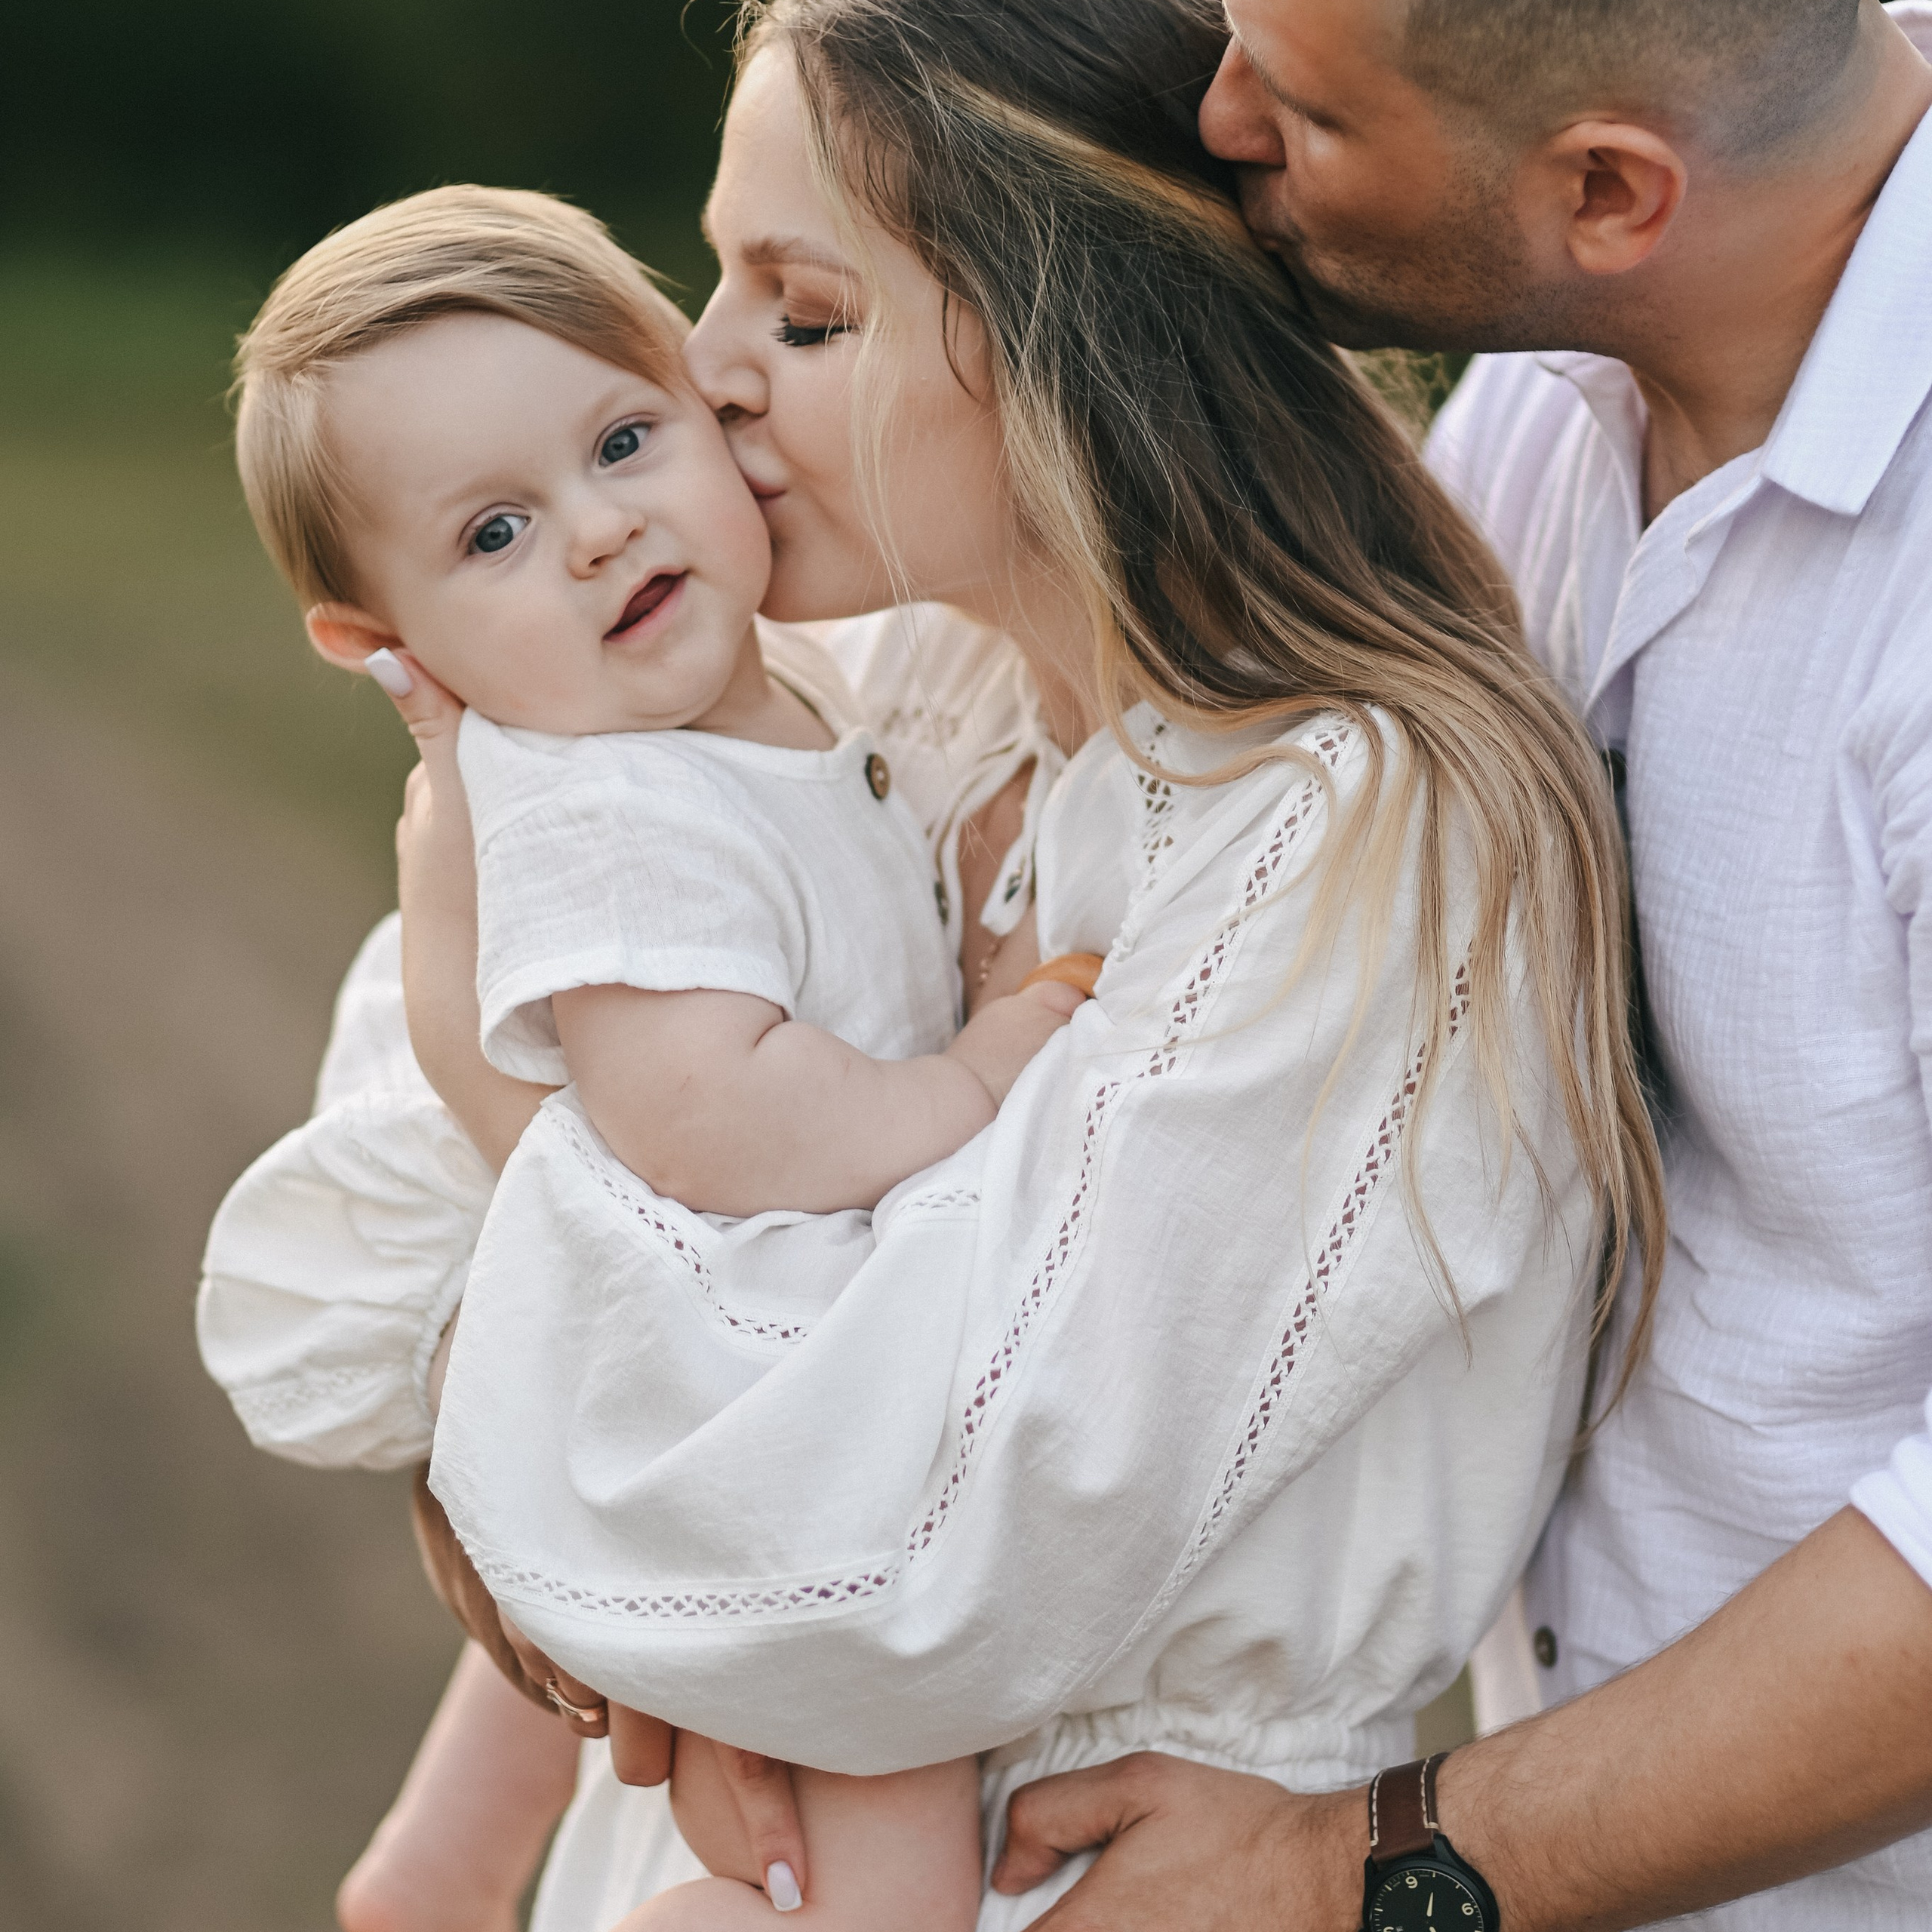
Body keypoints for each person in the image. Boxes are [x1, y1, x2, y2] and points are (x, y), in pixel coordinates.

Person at [360, 1, 1661, 1926]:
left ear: (1079, 356)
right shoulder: (902, 683)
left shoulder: (1348, 841)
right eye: (718, 279)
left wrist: (496, 1081)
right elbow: (378, 1204)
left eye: (807, 316)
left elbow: (901, 1552)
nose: (700, 371)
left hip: (1093, 1868)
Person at [981, 2, 1932, 1927]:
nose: (1217, 111)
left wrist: (1348, 1869)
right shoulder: (1548, 390)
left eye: (1303, 106)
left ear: (1607, 194)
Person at [202, 183, 1098, 1929]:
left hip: (679, 1315)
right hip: (707, 1300)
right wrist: (970, 1078)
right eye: (493, 535)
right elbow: (715, 1120)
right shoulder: (612, 804)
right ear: (380, 643)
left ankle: (440, 1860)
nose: (599, 533)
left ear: (705, 408)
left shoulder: (755, 695)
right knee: (890, 1774)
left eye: (622, 441)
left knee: (643, 1552)